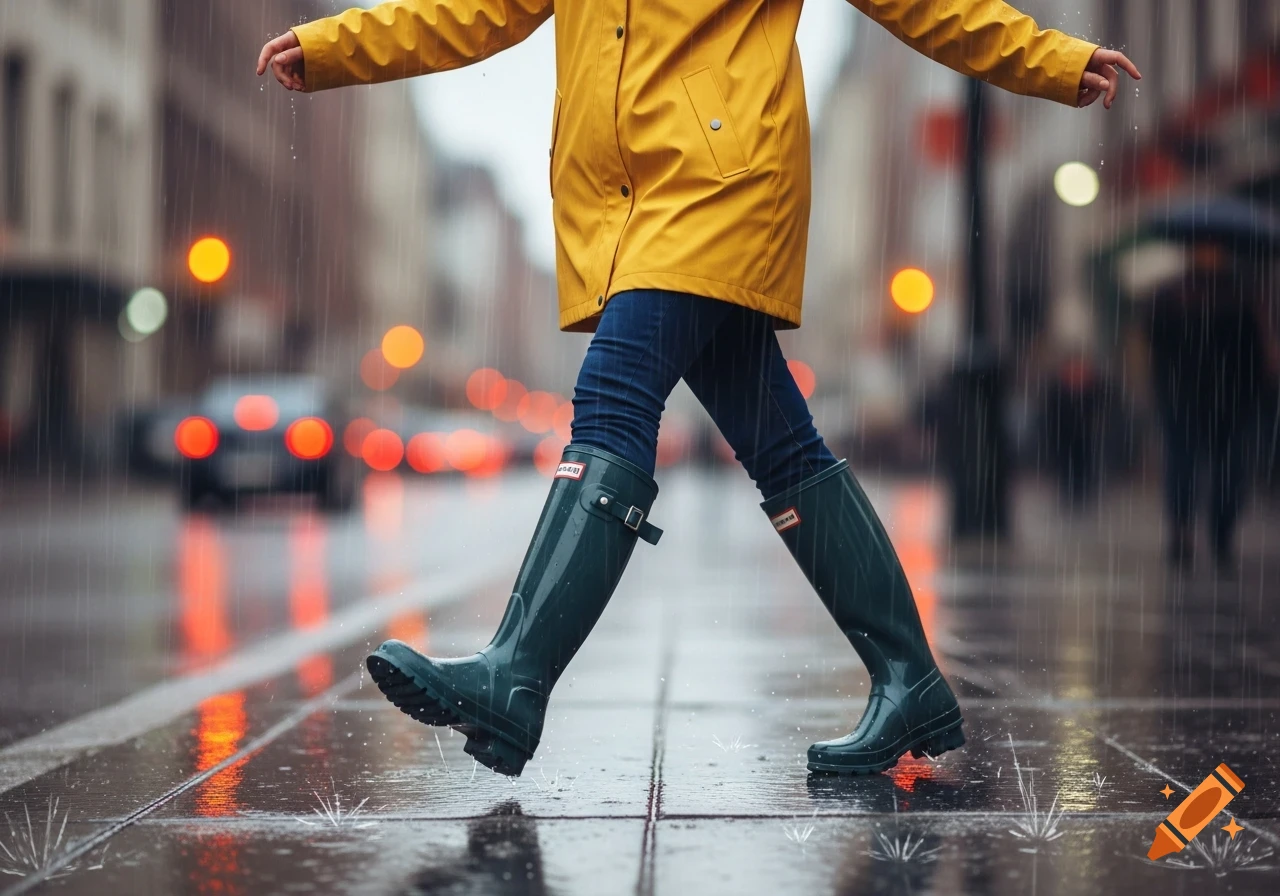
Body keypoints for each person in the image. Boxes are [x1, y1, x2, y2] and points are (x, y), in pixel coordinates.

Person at [257, 1, 1139, 777]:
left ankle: (515, 675)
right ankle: (909, 681)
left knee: (612, 400)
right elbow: (467, 12)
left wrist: (1053, 62)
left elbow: (918, 1)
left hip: (722, 184)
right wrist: (334, 48)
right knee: (782, 445)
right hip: (634, 211)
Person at [1149, 243, 1272, 572]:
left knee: (1223, 469)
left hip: (1225, 400)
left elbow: (1256, 354)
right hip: (1193, 397)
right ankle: (1187, 531)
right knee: (1188, 465)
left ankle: (1216, 533)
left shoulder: (1238, 295)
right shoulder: (1180, 295)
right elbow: (1154, 345)